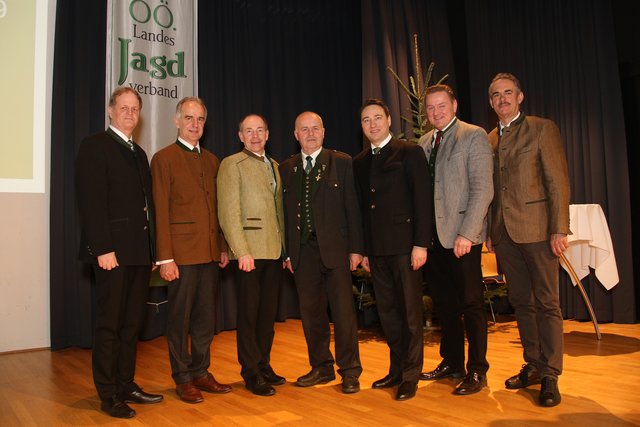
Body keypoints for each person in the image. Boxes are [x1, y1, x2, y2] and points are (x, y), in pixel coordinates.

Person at [76, 87, 162, 418]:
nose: (129, 113)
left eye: (134, 109)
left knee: (131, 325)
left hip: (140, 254)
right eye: (123, 107)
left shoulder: (138, 153)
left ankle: (127, 384)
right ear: (110, 111)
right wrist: (103, 248)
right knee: (110, 324)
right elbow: (91, 202)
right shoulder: (94, 146)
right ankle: (108, 393)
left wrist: (153, 248)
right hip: (112, 253)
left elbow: (147, 206)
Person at [486, 73, 570, 407]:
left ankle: (550, 374)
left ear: (520, 97)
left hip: (538, 230)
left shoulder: (542, 128)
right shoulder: (490, 139)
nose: (502, 99)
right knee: (521, 302)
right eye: (496, 95)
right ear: (490, 102)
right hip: (504, 234)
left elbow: (557, 181)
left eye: (508, 93)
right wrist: (491, 232)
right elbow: (492, 190)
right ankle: (533, 364)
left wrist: (559, 227)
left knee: (547, 302)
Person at [151, 97, 232, 404]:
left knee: (204, 319)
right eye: (189, 118)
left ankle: (200, 371)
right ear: (176, 121)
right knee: (179, 319)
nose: (194, 124)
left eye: (199, 119)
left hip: (209, 253)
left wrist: (222, 247)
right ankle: (182, 377)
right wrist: (165, 258)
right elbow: (159, 211)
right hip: (180, 256)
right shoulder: (164, 159)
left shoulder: (212, 160)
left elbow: (218, 209)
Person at [352, 98, 432, 401]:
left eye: (377, 118)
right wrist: (365, 251)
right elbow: (362, 209)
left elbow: (422, 201)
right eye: (365, 120)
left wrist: (420, 244)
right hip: (377, 251)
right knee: (388, 313)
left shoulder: (410, 153)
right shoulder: (360, 162)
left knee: (410, 313)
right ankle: (396, 368)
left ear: (388, 120)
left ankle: (411, 374)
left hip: (405, 247)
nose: (372, 124)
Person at [279, 111, 364, 394]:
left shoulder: (341, 162)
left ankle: (350, 371)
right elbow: (286, 215)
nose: (310, 133)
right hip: (302, 254)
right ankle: (321, 367)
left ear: (324, 132)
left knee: (343, 314)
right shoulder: (287, 168)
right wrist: (288, 253)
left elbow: (352, 208)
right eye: (304, 129)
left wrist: (356, 249)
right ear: (296, 135)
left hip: (337, 251)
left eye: (315, 128)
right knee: (312, 314)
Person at [417, 84, 494, 395]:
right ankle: (451, 361)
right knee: (445, 305)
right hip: (434, 240)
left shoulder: (473, 135)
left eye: (441, 106)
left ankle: (477, 370)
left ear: (454, 104)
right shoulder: (423, 142)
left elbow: (483, 188)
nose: (436, 112)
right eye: (431, 108)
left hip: (463, 237)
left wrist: (468, 232)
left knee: (471, 304)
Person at [217, 114, 286, 397]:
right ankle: (250, 372)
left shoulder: (276, 166)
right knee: (249, 316)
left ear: (268, 134)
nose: (255, 135)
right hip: (249, 253)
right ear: (240, 136)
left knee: (267, 316)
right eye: (249, 131)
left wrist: (286, 252)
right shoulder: (232, 164)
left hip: (274, 250)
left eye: (260, 130)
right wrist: (240, 250)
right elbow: (228, 212)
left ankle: (264, 364)